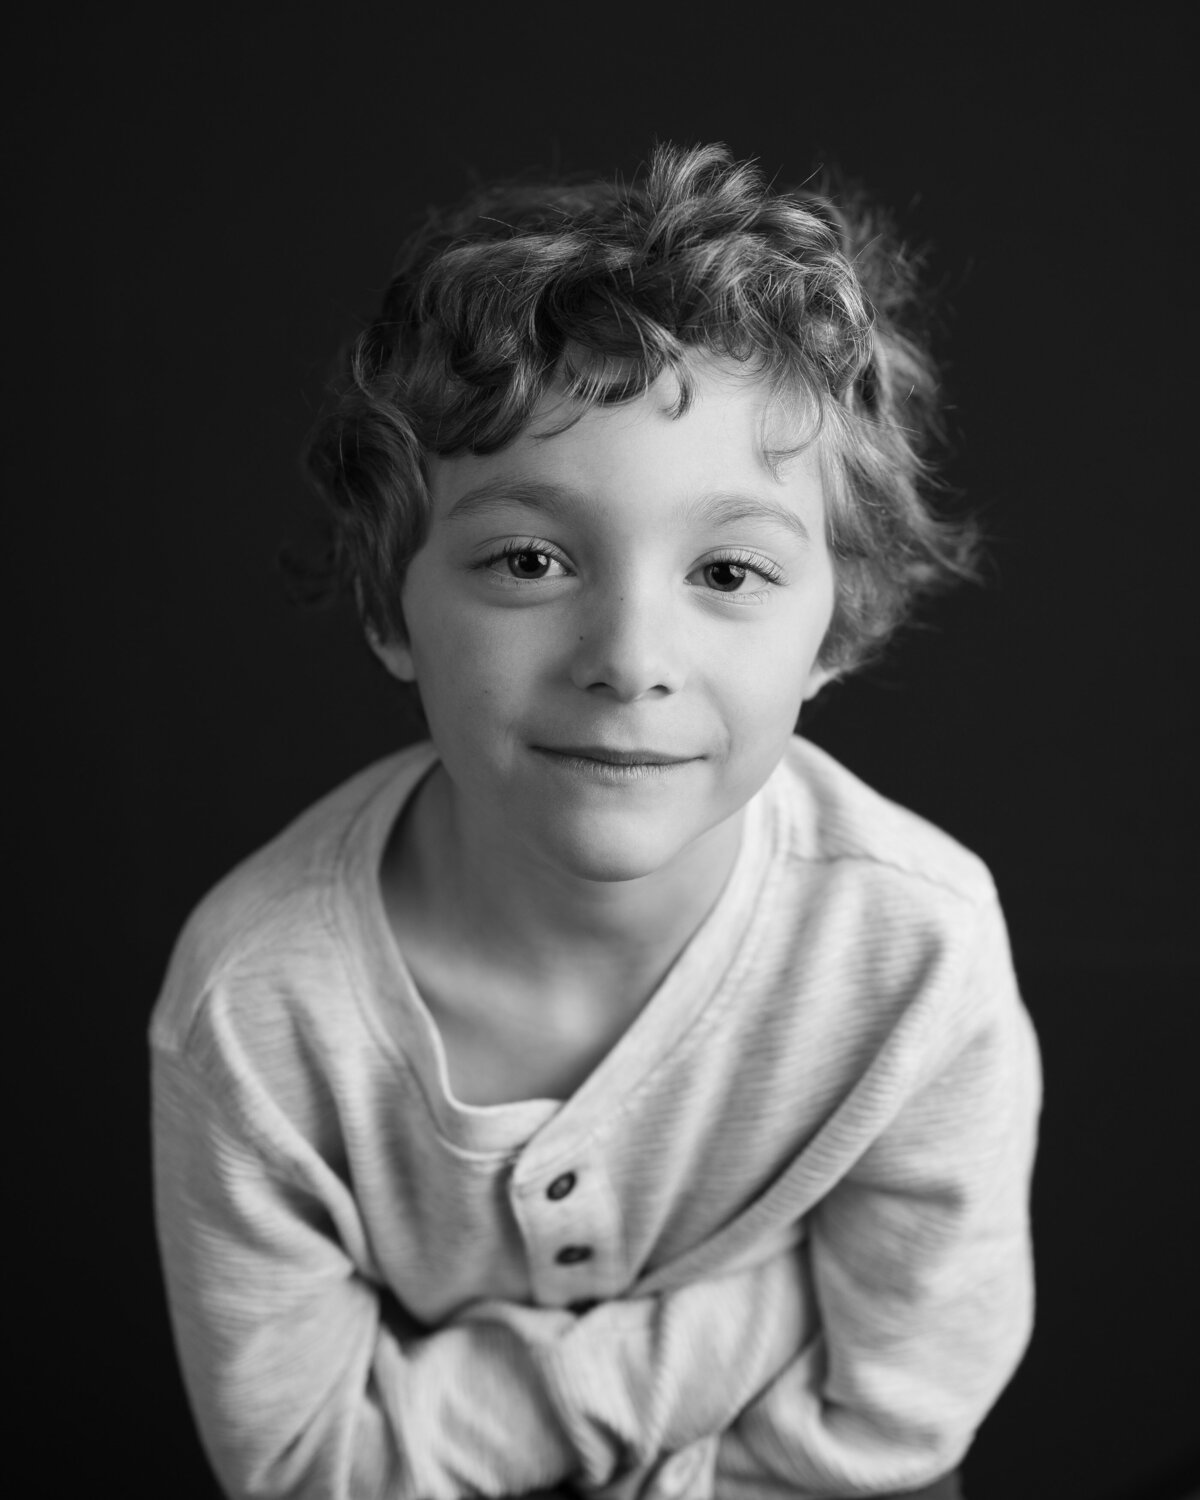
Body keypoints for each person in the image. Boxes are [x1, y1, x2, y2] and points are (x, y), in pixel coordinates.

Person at [150, 142, 1041, 1500]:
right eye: (528, 560)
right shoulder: (258, 1005)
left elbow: (899, 1413)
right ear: (392, 607)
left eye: (729, 570)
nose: (630, 657)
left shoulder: (917, 949)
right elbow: (304, 1462)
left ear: (834, 628)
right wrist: (773, 1314)